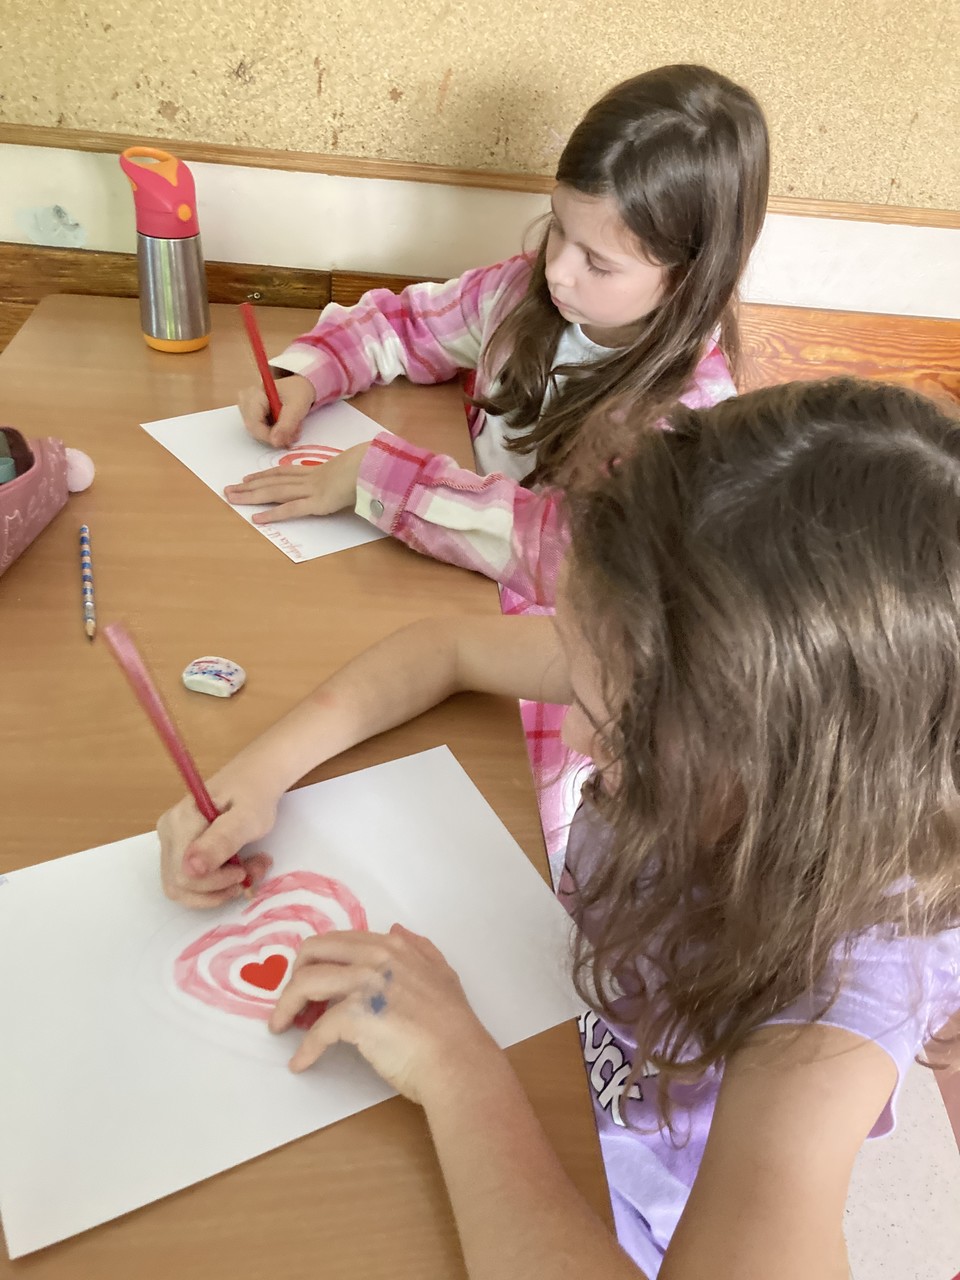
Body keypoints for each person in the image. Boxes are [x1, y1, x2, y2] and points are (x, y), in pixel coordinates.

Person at [160, 377, 960, 1277]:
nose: (573, 737)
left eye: (612, 726)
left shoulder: (836, 1007)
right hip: (550, 1042)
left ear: (785, 768)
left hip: (630, 1197)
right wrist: (260, 774)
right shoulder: (671, 667)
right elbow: (444, 648)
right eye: (578, 684)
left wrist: (460, 1072)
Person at [225, 63, 771, 878]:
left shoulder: (692, 420)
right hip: (447, 602)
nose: (559, 270)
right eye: (558, 229)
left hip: (561, 667)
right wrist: (307, 374)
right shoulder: (524, 297)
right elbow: (407, 325)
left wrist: (382, 476)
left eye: (598, 262)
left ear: (689, 278)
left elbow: (567, 556)